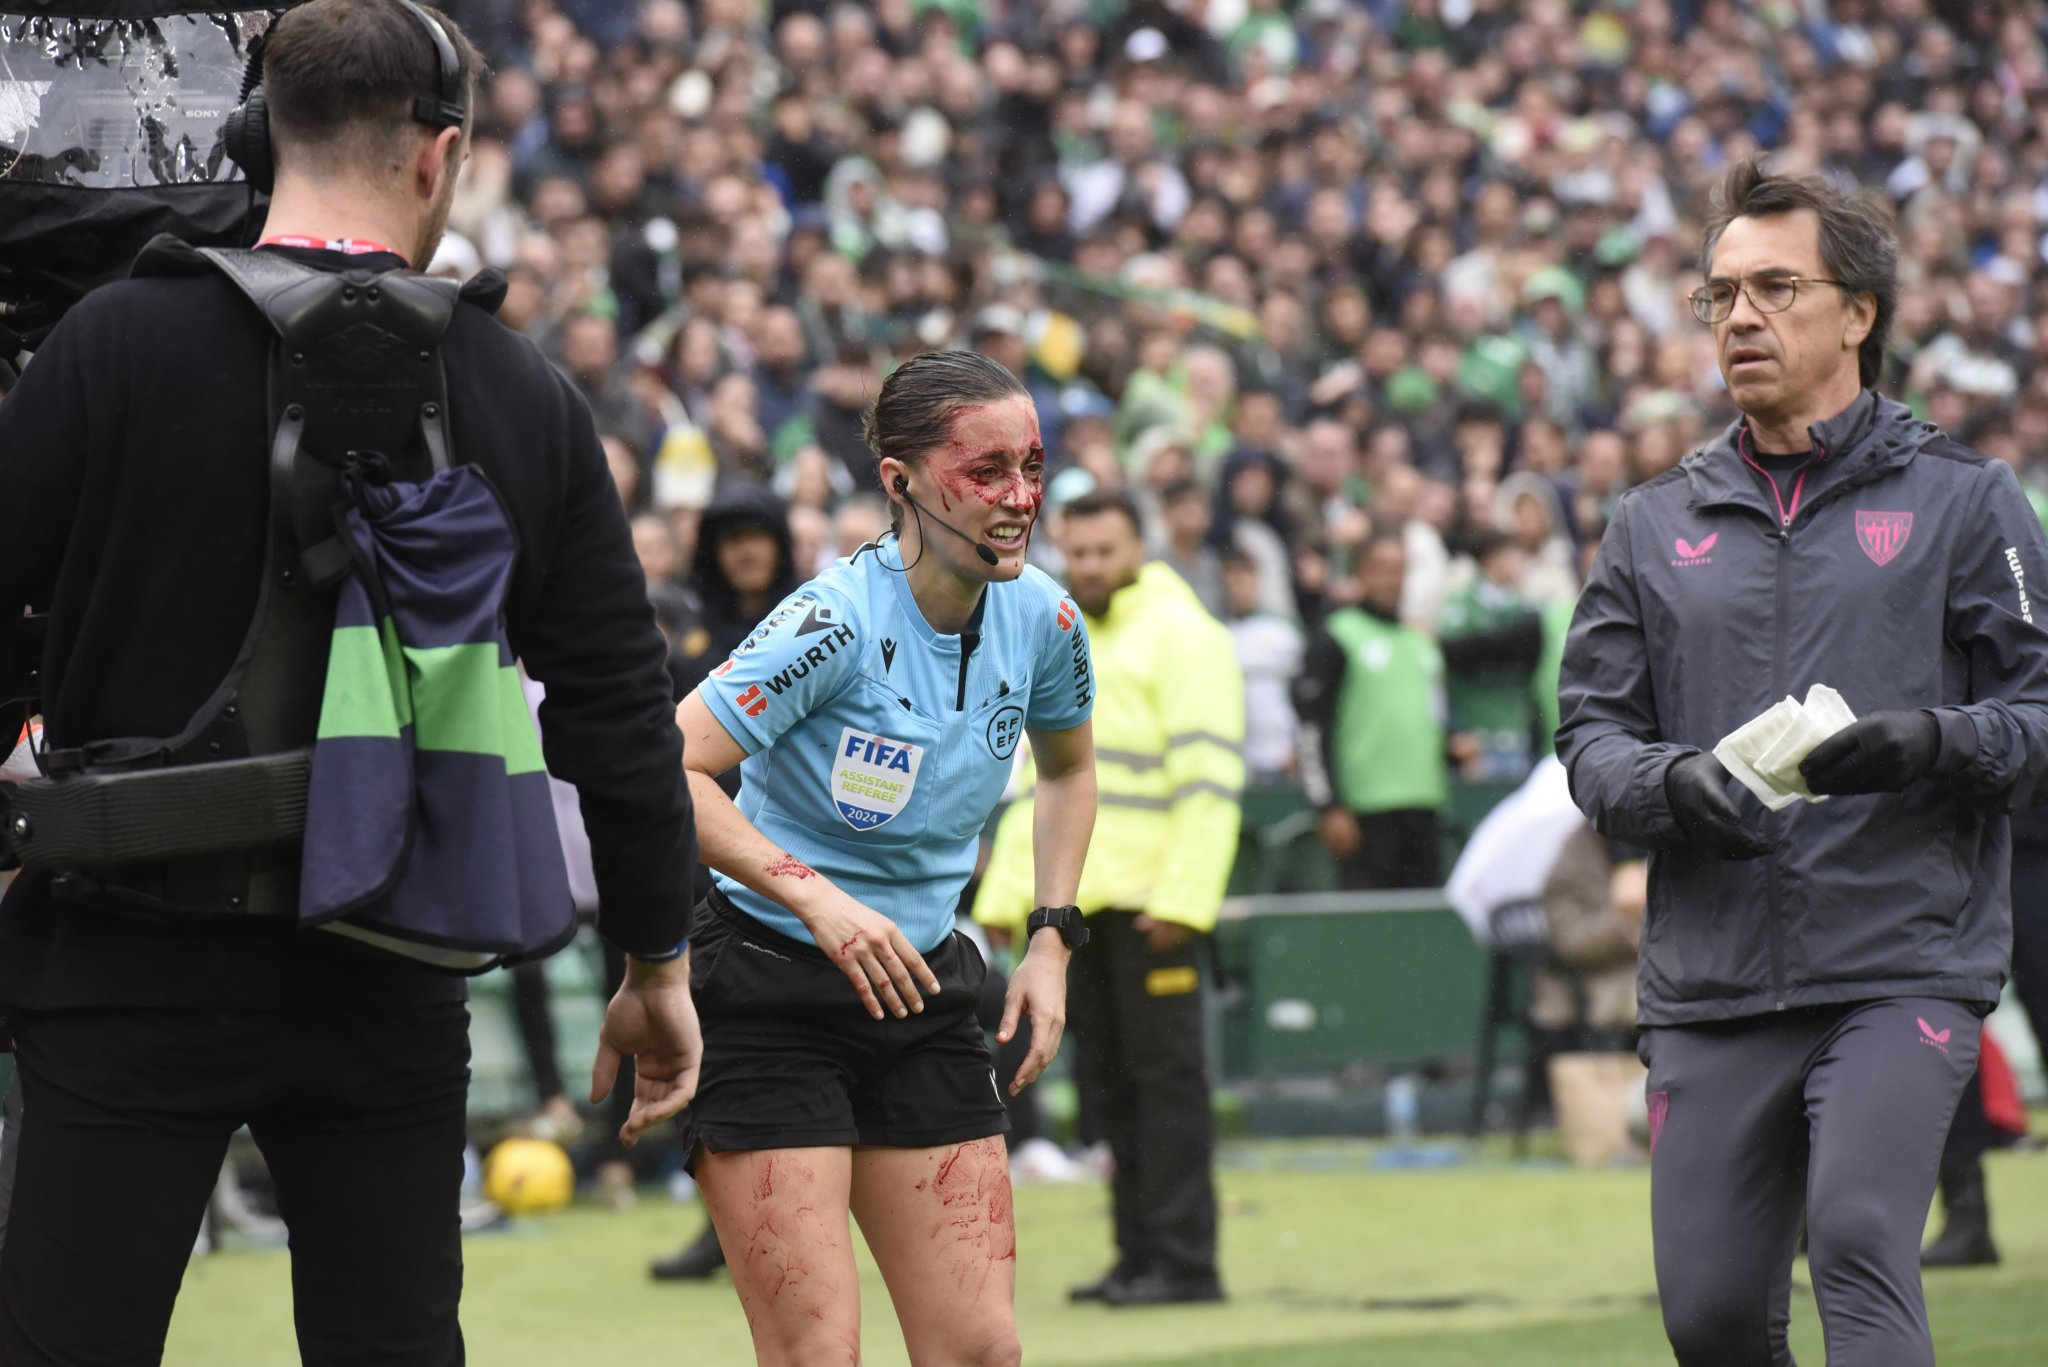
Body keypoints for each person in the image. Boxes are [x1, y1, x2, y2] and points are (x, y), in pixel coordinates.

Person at [0, 2, 700, 1360]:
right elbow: (620, 710)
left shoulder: (107, 347)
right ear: (440, 155)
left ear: (260, 136)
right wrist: (656, 961)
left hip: (122, 959)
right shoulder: (524, 387)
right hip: (390, 967)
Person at [1557, 157, 2048, 1367]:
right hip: (1711, 981)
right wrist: (1672, 786)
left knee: (1856, 1234)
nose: (1738, 317)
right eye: (1718, 294)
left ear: (1858, 313)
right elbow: (1588, 739)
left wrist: (1927, 741)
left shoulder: (1966, 501)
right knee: (1713, 1318)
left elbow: (2039, 713)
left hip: (1898, 963)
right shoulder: (1649, 523)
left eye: (1775, 288)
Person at [670, 349, 1096, 1366]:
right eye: (984, 469)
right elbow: (669, 768)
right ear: (899, 481)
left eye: (1030, 465)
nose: (1018, 496)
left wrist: (1050, 939)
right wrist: (815, 897)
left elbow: (1069, 771)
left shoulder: (1046, 617)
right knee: (819, 1354)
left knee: (981, 1348)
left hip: (924, 995)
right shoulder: (831, 622)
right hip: (767, 994)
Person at [975, 487, 1244, 1307]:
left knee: (1167, 1089)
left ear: (1139, 547)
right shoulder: (1061, 632)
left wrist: (1186, 901)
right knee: (1109, 1090)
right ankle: (1137, 1257)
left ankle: (1184, 1262)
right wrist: (1008, 892)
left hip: (1155, 910)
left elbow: (1211, 781)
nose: (1089, 565)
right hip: (1078, 914)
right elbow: (1035, 785)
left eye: (1105, 550)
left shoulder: (1186, 636)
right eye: (1078, 551)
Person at [1295, 533, 1459, 890]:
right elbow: (1310, 728)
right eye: (1381, 569)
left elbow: (1429, 719)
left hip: (1424, 808)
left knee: (1421, 928)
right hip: (1364, 814)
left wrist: (1454, 747)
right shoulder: (1337, 636)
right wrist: (1327, 805)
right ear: (1360, 574)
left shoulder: (1422, 643)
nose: (1392, 580)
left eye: (1400, 570)